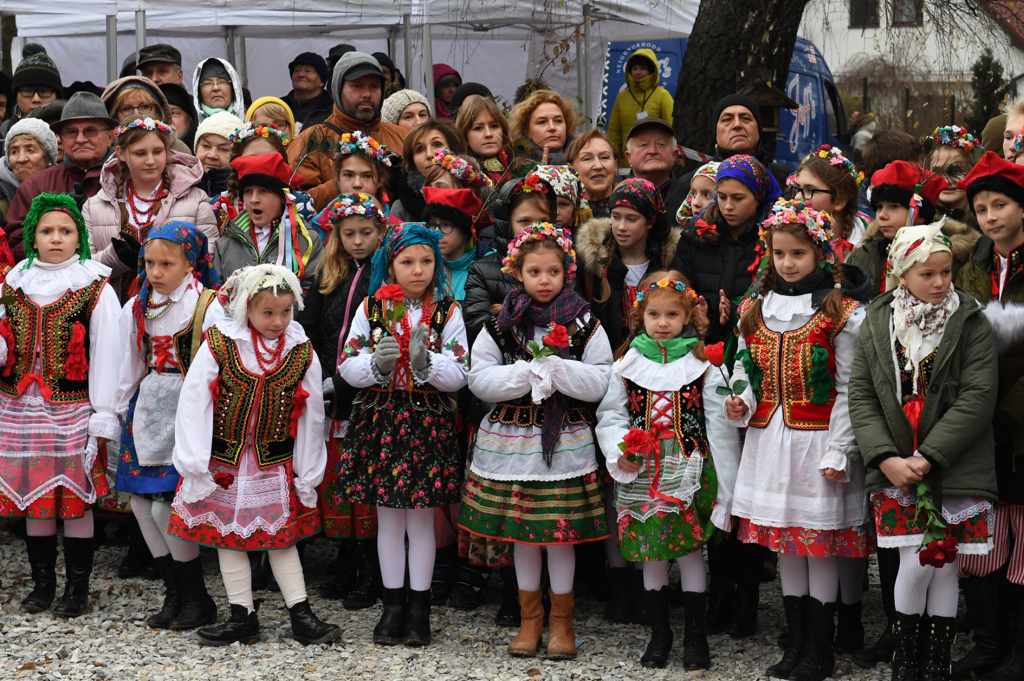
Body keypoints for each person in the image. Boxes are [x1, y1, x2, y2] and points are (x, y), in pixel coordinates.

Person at [725, 198, 869, 681]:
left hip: (819, 441)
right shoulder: (754, 308)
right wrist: (740, 400)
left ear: (820, 255)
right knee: (786, 543)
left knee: (817, 543)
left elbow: (851, 386)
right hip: (770, 442)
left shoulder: (840, 312)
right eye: (780, 254)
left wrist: (841, 447)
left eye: (798, 254)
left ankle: (820, 649)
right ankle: (797, 642)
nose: (787, 263)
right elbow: (744, 370)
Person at [849, 221, 998, 681]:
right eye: (926, 274)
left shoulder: (971, 320)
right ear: (900, 274)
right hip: (896, 460)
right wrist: (885, 457)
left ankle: (931, 660)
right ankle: (908, 657)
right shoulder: (877, 321)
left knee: (942, 559)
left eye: (945, 272)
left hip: (954, 461)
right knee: (915, 557)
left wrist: (929, 455)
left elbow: (978, 396)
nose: (939, 283)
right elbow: (862, 394)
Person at [166, 264, 342, 647]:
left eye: (285, 311)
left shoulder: (301, 351)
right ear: (246, 308)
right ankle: (241, 615)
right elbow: (194, 400)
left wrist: (307, 471)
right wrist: (195, 460)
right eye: (268, 312)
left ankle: (302, 614)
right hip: (224, 460)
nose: (278, 320)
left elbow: (313, 415)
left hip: (273, 462)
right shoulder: (220, 342)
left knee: (280, 539)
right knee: (229, 538)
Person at [458, 222, 611, 660]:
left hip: (564, 444)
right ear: (517, 274)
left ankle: (562, 623)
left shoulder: (584, 322)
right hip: (511, 442)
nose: (544, 280)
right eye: (534, 272)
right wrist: (526, 373)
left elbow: (602, 380)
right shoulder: (501, 323)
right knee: (525, 534)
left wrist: (560, 370)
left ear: (567, 272)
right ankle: (530, 621)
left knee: (558, 534)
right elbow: (480, 379)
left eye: (553, 272)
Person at [332, 223, 470, 647]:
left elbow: (462, 373)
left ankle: (419, 609)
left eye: (426, 261)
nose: (417, 270)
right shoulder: (371, 308)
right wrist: (378, 364)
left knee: (422, 520)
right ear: (390, 265)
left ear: (437, 264)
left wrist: (426, 363)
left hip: (427, 424)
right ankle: (393, 605)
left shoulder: (448, 312)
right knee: (389, 519)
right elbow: (346, 363)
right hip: (383, 421)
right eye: (407, 262)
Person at [596, 272, 739, 669]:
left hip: (687, 467)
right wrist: (618, 449)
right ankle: (660, 634)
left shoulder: (702, 361)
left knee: (691, 551)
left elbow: (721, 428)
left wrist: (727, 489)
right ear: (640, 315)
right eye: (654, 314)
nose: (662, 323)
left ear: (688, 315)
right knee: (651, 552)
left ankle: (696, 638)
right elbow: (610, 415)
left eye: (672, 315)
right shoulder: (628, 361)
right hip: (642, 470)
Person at [0, 193, 122, 618]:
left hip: (71, 410)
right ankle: (42, 585)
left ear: (79, 238)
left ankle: (76, 589)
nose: (56, 239)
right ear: (32, 236)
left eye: (66, 231)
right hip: (19, 408)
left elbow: (108, 352)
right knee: (36, 499)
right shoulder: (15, 282)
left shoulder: (94, 286)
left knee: (72, 499)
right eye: (47, 231)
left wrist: (103, 412)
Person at [112, 221, 220, 630]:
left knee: (165, 507)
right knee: (140, 504)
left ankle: (197, 596)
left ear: (190, 263)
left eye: (166, 263)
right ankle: (175, 592)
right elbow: (131, 362)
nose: (155, 272)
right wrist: (118, 409)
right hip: (148, 406)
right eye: (149, 262)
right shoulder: (140, 303)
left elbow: (218, 366)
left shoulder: (207, 305)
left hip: (187, 409)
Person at [951, 151, 1024, 680]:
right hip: (977, 418)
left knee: (1021, 529)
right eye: (981, 208)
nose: (991, 216)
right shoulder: (972, 263)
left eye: (1001, 204)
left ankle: (1019, 647)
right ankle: (988, 638)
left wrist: (1006, 409)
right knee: (981, 530)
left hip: (1018, 421)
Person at [303, 194, 387, 609]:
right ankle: (345, 556)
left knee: (365, 481)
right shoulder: (325, 273)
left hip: (366, 395)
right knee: (338, 481)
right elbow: (313, 327)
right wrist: (320, 375)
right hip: (330, 393)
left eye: (366, 233)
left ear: (380, 233)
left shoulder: (382, 278)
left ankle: (371, 569)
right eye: (349, 233)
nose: (357, 241)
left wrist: (349, 378)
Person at [82, 117, 218, 302]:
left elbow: (207, 260)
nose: (151, 160)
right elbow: (83, 267)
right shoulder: (94, 206)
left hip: (176, 311)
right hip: (113, 312)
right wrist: (115, 257)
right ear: (121, 153)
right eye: (140, 153)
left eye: (157, 151)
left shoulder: (195, 199)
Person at [289, 52, 408, 212]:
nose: (367, 94)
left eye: (374, 86)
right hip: (330, 235)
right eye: (357, 86)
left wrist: (402, 185)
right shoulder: (311, 140)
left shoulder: (403, 137)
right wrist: (344, 183)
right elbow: (296, 205)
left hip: (395, 235)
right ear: (338, 88)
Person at [6, 92, 118, 261]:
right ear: (62, 139)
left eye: (90, 131)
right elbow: (14, 246)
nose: (80, 139)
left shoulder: (128, 178)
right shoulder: (33, 186)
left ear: (110, 138)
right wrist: (53, 216)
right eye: (71, 132)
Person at [846, 161, 978, 298]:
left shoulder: (951, 257)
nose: (881, 215)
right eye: (879, 207)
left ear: (919, 215)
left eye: (893, 207)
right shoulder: (863, 256)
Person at [664, 94, 791, 221]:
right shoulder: (690, 183)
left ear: (758, 129)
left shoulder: (783, 178)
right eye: (727, 120)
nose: (737, 125)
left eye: (745, 118)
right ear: (716, 133)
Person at [462, 175, 557, 342]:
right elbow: (476, 325)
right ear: (506, 224)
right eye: (525, 221)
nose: (535, 229)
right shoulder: (482, 272)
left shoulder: (563, 267)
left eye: (543, 221)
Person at [215, 153, 323, 292]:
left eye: (264, 191)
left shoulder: (307, 240)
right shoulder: (226, 243)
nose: (254, 199)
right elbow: (218, 292)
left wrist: (279, 311)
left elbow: (312, 292)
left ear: (284, 197)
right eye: (248, 191)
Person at [788, 145, 867, 260]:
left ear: (839, 201)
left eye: (809, 190)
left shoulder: (864, 251)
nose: (797, 197)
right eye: (797, 188)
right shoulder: (784, 237)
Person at [312, 131, 392, 240]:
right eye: (349, 175)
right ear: (338, 179)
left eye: (367, 176)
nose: (357, 184)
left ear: (380, 180)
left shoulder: (395, 229)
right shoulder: (316, 229)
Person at [390, 120, 466, 223]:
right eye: (420, 150)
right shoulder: (400, 210)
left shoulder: (476, 194)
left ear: (454, 151)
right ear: (412, 163)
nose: (429, 154)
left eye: (437, 144)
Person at [607, 48, 674, 157]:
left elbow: (671, 129)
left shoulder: (662, 95)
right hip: (628, 161)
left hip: (655, 158)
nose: (638, 72)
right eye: (634, 68)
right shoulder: (621, 97)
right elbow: (614, 133)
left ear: (651, 71)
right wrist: (611, 157)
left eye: (643, 68)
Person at [101, 75, 192, 155]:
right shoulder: (103, 151)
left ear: (158, 112)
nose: (136, 114)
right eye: (127, 109)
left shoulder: (178, 149)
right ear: (115, 116)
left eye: (145, 106)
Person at [0, 118, 58, 222]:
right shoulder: (2, 196)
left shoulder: (64, 187)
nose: (21, 159)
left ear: (48, 158)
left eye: (30, 150)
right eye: (14, 152)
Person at [924, 125, 980, 226]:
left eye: (955, 171)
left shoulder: (987, 220)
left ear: (973, 171)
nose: (946, 180)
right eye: (937, 172)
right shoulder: (918, 221)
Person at [0, 50, 61, 138]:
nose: (36, 99)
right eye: (27, 91)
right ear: (16, 96)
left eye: (44, 91)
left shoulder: (71, 131)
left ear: (57, 96)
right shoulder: (4, 130)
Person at [511, 90, 578, 165]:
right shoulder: (514, 167)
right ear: (527, 132)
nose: (552, 127)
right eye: (542, 122)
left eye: (558, 121)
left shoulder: (586, 162)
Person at [455, 96, 512, 185]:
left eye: (494, 126)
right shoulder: (455, 174)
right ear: (465, 135)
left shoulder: (525, 166)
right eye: (478, 128)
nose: (488, 134)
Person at [567, 130, 619, 219]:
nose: (598, 166)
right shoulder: (562, 211)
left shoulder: (631, 206)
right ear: (571, 169)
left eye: (604, 157)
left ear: (615, 166)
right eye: (587, 159)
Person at [625, 117, 679, 200]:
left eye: (661, 144)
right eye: (644, 145)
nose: (652, 151)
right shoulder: (615, 200)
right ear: (629, 158)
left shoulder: (690, 200)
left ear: (674, 155)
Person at [193, 112, 243, 198]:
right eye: (206, 146)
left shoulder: (245, 194)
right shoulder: (179, 186)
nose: (212, 155)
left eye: (223, 149)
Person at [281, 52, 334, 132]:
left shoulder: (332, 112)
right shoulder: (278, 107)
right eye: (297, 70)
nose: (300, 74)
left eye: (308, 71)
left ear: (321, 81)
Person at [191, 57, 246, 124]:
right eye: (208, 83)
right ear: (198, 91)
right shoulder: (190, 130)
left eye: (222, 82)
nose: (216, 88)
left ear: (233, 88)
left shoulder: (249, 130)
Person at [159, 83, 198, 154]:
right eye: (161, 114)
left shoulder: (202, 156)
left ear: (190, 121)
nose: (167, 120)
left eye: (174, 113)